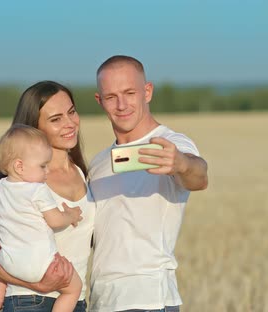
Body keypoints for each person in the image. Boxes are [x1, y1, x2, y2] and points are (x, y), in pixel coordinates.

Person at [88, 55, 209, 312]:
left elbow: (199, 176)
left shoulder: (169, 144)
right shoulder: (98, 164)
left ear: (148, 91)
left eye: (130, 93)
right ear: (100, 101)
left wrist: (181, 164)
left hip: (149, 298)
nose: (121, 105)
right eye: (111, 97)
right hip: (102, 300)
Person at [0, 81, 95, 312]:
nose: (69, 123)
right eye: (56, 119)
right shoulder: (27, 184)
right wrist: (38, 285)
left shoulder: (82, 173)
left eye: (71, 112)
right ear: (35, 128)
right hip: (30, 301)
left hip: (76, 302)